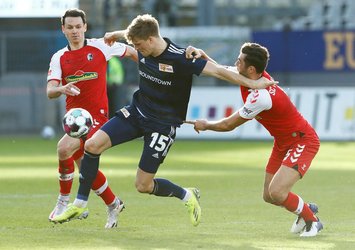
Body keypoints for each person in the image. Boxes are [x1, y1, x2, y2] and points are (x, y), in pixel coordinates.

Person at [52, 14, 276, 227]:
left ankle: (185, 194)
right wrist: (116, 34)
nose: (136, 51)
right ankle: (80, 203)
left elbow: (219, 71)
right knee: (91, 145)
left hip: (163, 124)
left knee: (143, 185)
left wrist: (254, 84)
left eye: (138, 46)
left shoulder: (182, 58)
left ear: (150, 40)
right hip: (137, 112)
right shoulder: (143, 43)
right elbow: (135, 33)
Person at [184, 42, 323, 237]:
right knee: (269, 196)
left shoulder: (261, 97)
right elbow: (222, 71)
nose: (235, 62)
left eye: (239, 60)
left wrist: (206, 125)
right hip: (283, 142)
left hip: (302, 141)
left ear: (250, 69)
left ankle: (312, 221)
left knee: (277, 192)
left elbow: (228, 125)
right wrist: (204, 56)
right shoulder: (253, 77)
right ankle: (306, 209)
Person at [46, 8, 138, 228]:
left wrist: (148, 71)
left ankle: (63, 202)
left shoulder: (100, 46)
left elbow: (133, 52)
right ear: (63, 30)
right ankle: (114, 203)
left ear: (85, 27)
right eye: (70, 27)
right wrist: (62, 89)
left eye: (79, 26)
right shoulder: (59, 57)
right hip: (74, 119)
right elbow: (50, 91)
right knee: (86, 169)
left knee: (62, 149)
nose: (75, 31)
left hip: (96, 116)